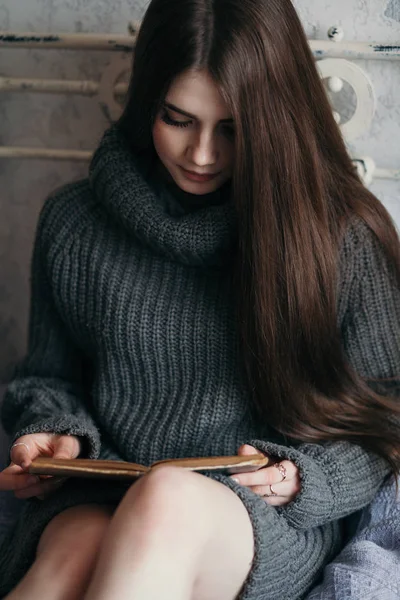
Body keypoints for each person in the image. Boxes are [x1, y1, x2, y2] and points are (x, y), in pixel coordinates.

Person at [0, 0, 399, 598]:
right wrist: (56, 436)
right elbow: (51, 378)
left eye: (232, 128)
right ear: (145, 102)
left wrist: (304, 480)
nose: (202, 155)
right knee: (64, 562)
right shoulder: (75, 222)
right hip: (104, 485)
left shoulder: (340, 235)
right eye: (178, 118)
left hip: (262, 516)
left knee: (165, 501)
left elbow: (385, 411)